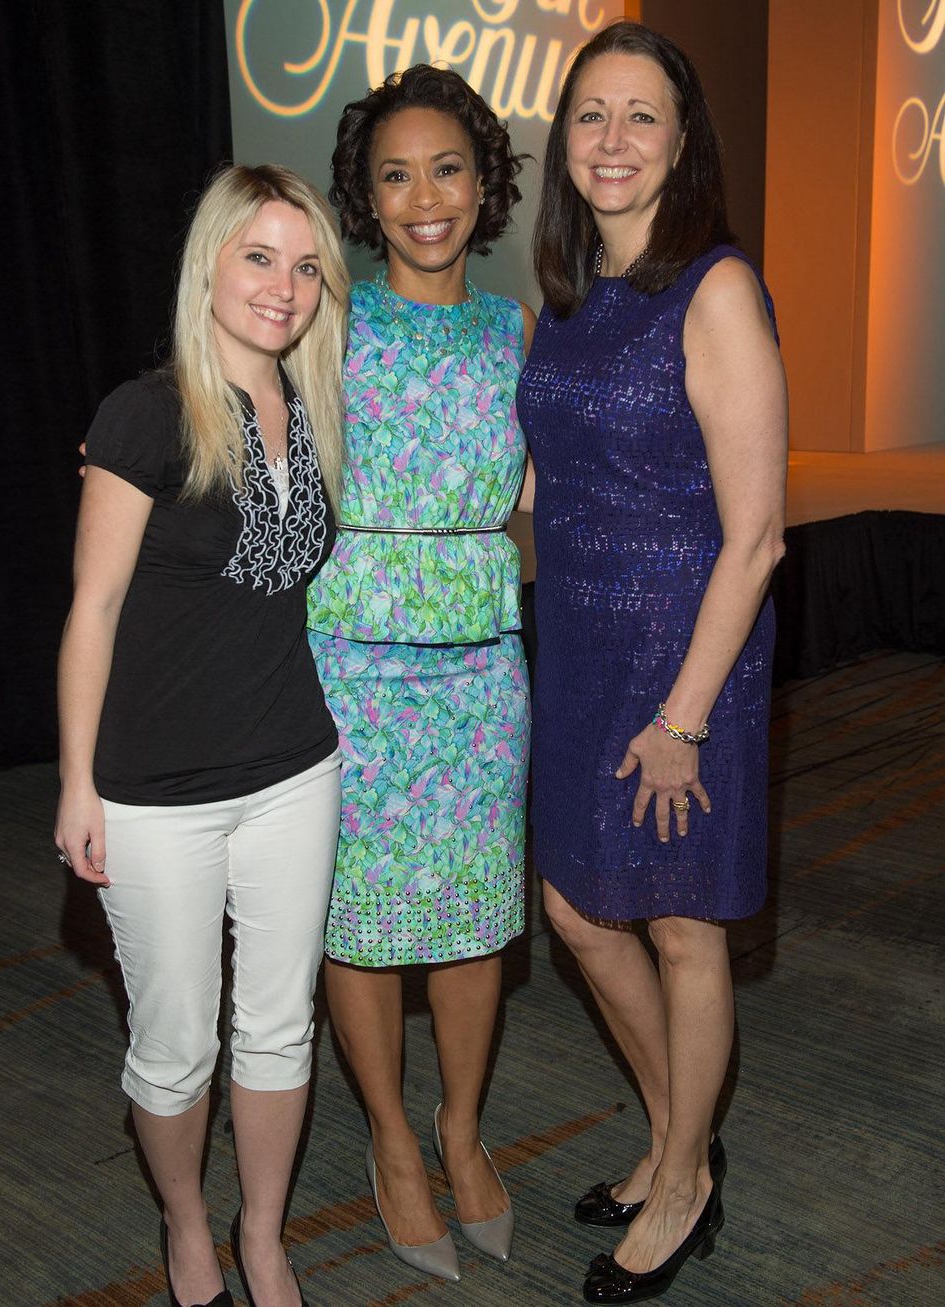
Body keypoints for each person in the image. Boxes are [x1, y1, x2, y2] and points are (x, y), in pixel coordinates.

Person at [517, 20, 787, 1305]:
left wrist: (681, 716)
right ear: (563, 144)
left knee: (679, 923)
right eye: (589, 115)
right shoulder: (564, 304)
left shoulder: (714, 286)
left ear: (682, 144)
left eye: (640, 116)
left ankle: (680, 1179)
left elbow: (756, 537)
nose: (611, 140)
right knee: (575, 905)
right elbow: (535, 485)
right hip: (575, 644)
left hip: (687, 655)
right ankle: (681, 1130)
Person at [54, 164, 349, 1307]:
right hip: (153, 788)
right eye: (259, 256)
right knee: (176, 1045)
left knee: (279, 1027)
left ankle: (263, 1237)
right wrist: (78, 782)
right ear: (210, 264)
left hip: (292, 767)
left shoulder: (318, 406)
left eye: (306, 263)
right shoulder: (144, 413)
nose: (283, 286)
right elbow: (93, 608)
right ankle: (186, 1228)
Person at [305, 65, 533, 1281]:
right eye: (395, 174)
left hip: (482, 670)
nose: (424, 196)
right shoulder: (331, 319)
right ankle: (393, 1141)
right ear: (368, 196)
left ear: (485, 181)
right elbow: (233, 414)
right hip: (348, 664)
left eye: (447, 167)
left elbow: (551, 491)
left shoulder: (513, 330)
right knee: (358, 917)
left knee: (469, 917)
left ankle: (460, 1126)